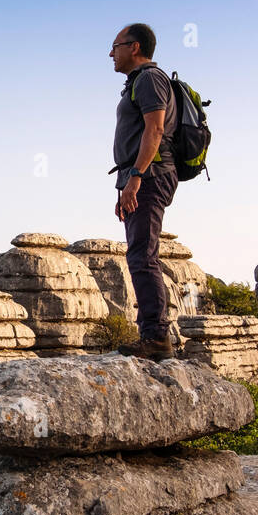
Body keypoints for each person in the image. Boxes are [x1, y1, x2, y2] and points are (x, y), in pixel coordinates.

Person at [110, 23, 179, 361]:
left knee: (142, 255)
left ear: (134, 47)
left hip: (150, 175)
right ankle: (153, 335)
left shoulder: (150, 78)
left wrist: (136, 177)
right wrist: (127, 181)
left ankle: (155, 338)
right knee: (140, 253)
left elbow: (154, 128)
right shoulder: (139, 82)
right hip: (140, 175)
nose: (111, 53)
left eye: (116, 46)